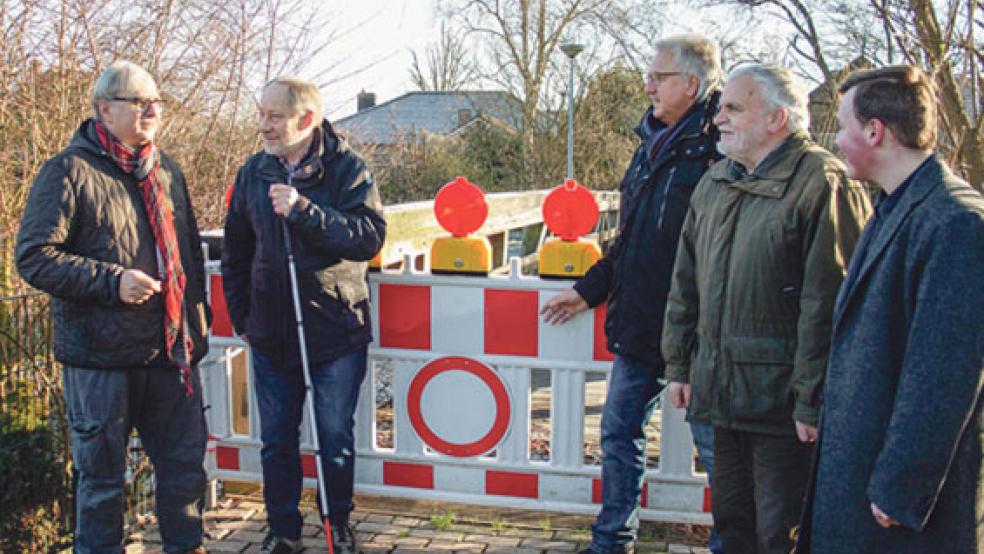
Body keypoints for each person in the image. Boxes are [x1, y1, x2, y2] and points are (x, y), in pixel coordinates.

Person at [661, 63, 871, 554]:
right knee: (733, 527)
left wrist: (811, 398)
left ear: (776, 118)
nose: (718, 120)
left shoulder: (823, 181)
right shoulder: (716, 181)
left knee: (780, 535)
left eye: (734, 108)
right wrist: (679, 363)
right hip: (718, 394)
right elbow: (685, 281)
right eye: (720, 109)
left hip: (781, 408)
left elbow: (832, 302)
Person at [15, 61, 210, 554]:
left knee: (185, 469)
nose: (150, 110)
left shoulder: (167, 170)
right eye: (136, 100)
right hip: (99, 356)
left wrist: (197, 330)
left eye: (155, 102)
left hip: (168, 352)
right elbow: (35, 258)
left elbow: (189, 256)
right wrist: (111, 281)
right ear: (104, 109)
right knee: (101, 483)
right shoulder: (67, 171)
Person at [541, 34, 723, 554]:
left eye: (658, 77)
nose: (648, 86)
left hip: (702, 329)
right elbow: (632, 240)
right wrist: (588, 290)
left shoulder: (720, 147)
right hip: (643, 321)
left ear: (691, 83)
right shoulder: (650, 146)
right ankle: (612, 541)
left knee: (717, 451)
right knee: (620, 435)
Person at [797, 65, 983, 553]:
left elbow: (944, 373)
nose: (835, 140)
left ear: (875, 131)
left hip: (896, 509)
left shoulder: (956, 223)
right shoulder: (895, 206)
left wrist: (902, 487)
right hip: (858, 478)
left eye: (841, 126)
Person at [221, 76, 385, 554]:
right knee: (275, 440)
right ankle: (284, 530)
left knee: (334, 438)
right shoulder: (252, 173)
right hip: (271, 334)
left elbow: (369, 236)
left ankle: (338, 523)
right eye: (261, 114)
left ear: (306, 120)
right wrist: (243, 319)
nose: (264, 126)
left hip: (334, 329)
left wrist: (305, 212)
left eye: (274, 116)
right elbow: (236, 252)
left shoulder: (348, 168)